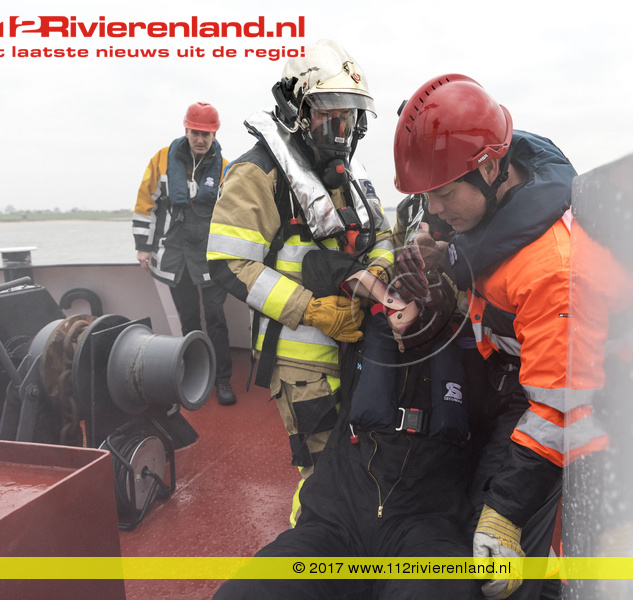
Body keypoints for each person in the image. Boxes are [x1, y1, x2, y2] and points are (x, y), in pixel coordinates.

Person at [393, 74, 610, 599]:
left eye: (443, 195)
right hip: (508, 375)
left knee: (492, 566)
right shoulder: (492, 201)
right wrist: (438, 259)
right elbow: (479, 259)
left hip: (554, 403)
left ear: (490, 169)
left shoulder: (553, 267)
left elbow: (560, 409)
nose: (434, 211)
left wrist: (505, 514)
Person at [212, 261, 484, 600]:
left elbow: (506, 433)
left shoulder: (477, 351)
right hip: (334, 523)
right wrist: (379, 283)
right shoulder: (362, 335)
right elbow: (316, 267)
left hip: (424, 526)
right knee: (245, 592)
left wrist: (499, 516)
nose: (412, 305)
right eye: (404, 293)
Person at [206, 40, 394, 524]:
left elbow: (382, 237)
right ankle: (309, 545)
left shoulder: (349, 173)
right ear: (297, 110)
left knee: (359, 455)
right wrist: (311, 310)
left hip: (355, 344)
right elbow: (229, 264)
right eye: (329, 113)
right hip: (301, 358)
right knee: (320, 471)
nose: (341, 127)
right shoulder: (257, 173)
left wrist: (377, 272)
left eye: (349, 115)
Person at [132, 102, 236, 406]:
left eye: (206, 134)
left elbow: (235, 215)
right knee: (189, 320)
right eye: (195, 133)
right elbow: (145, 205)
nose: (200, 139)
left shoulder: (226, 168)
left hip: (211, 257)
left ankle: (223, 380)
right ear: (186, 130)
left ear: (215, 134)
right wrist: (143, 247)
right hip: (176, 258)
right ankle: (195, 373)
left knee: (216, 318)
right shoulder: (161, 160)